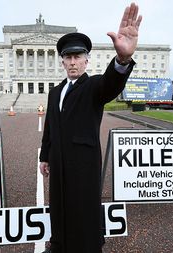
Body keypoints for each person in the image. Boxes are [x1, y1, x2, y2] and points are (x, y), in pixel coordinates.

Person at [39, 3, 142, 253]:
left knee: (83, 209)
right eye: (68, 57)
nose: (73, 62)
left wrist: (123, 59)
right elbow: (51, 127)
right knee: (60, 205)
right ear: (62, 61)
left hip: (83, 163)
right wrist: (45, 156)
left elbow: (111, 83)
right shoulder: (54, 93)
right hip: (59, 161)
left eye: (77, 57)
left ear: (86, 59)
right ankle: (59, 244)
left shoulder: (94, 86)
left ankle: (88, 247)